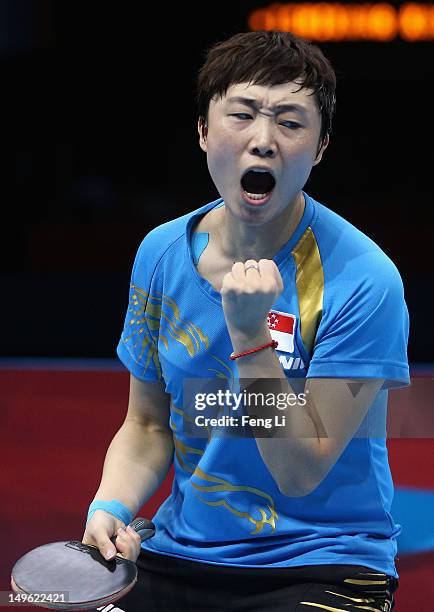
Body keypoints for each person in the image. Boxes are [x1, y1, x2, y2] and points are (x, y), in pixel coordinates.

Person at [82, 30, 409, 611]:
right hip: (180, 553)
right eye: (242, 115)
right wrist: (110, 505)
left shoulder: (365, 280)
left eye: (290, 122)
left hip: (322, 561)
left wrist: (252, 335)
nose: (263, 141)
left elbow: (299, 471)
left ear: (322, 146)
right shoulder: (160, 254)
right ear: (204, 131)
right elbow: (148, 426)